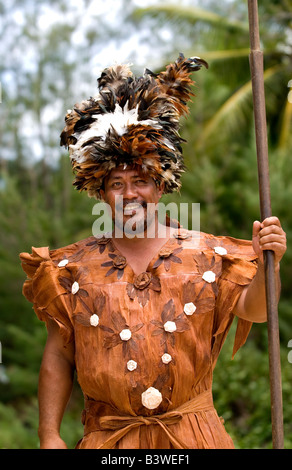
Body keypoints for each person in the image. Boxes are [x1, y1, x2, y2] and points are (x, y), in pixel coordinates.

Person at [20, 55, 286, 449]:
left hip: (195, 438)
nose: (130, 194)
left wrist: (269, 264)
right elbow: (59, 357)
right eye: (116, 183)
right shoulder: (71, 269)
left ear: (160, 186)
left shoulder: (209, 255)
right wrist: (49, 435)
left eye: (141, 180)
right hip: (109, 442)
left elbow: (258, 309)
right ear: (101, 192)